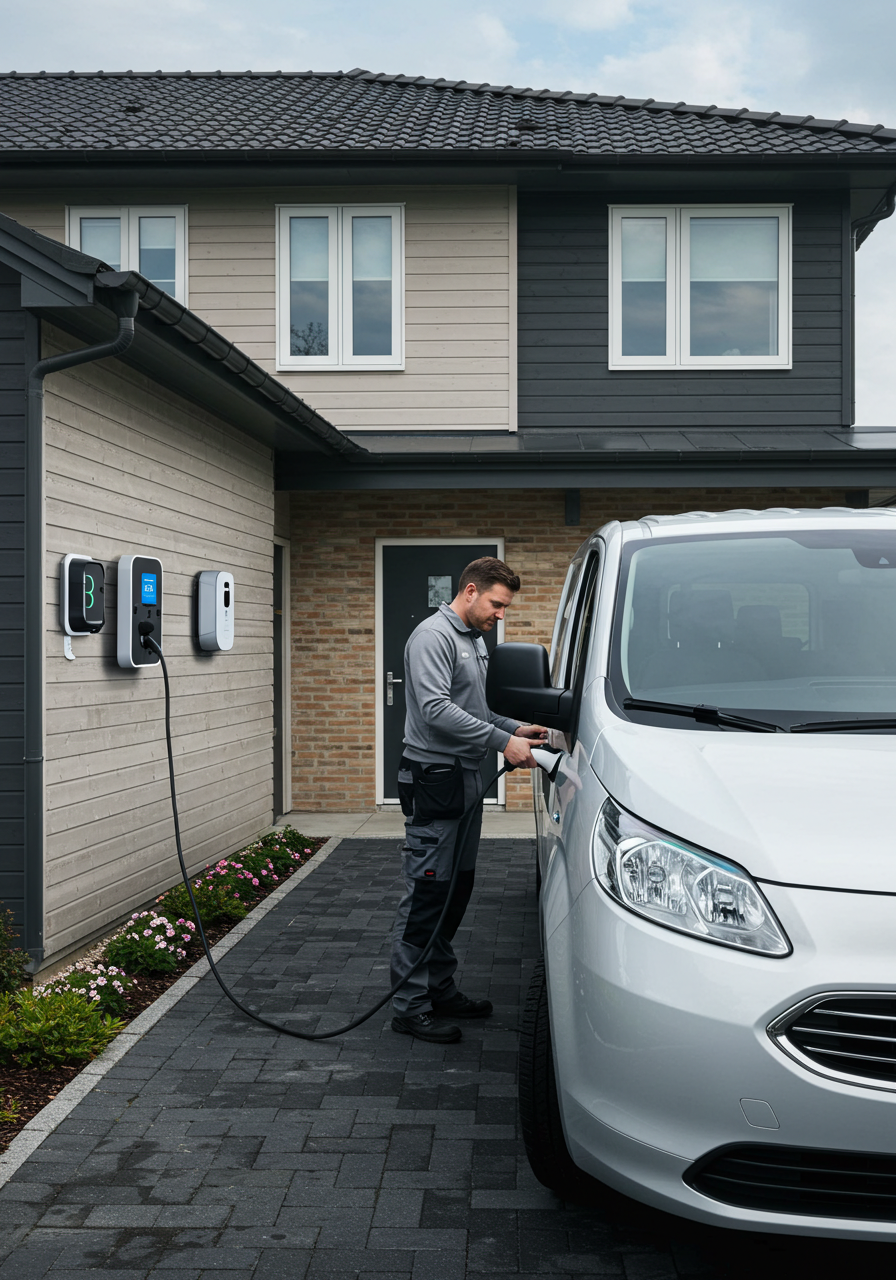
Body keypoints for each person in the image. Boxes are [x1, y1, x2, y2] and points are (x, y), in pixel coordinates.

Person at [390, 556, 547, 1043]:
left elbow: (474, 710)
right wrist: (503, 744)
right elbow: (437, 711)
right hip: (434, 778)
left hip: (465, 776)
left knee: (457, 890)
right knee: (428, 893)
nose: (501, 615)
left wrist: (515, 728)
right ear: (472, 590)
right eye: (497, 605)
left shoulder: (473, 641)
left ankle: (440, 987)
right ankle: (409, 1005)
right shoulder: (432, 638)